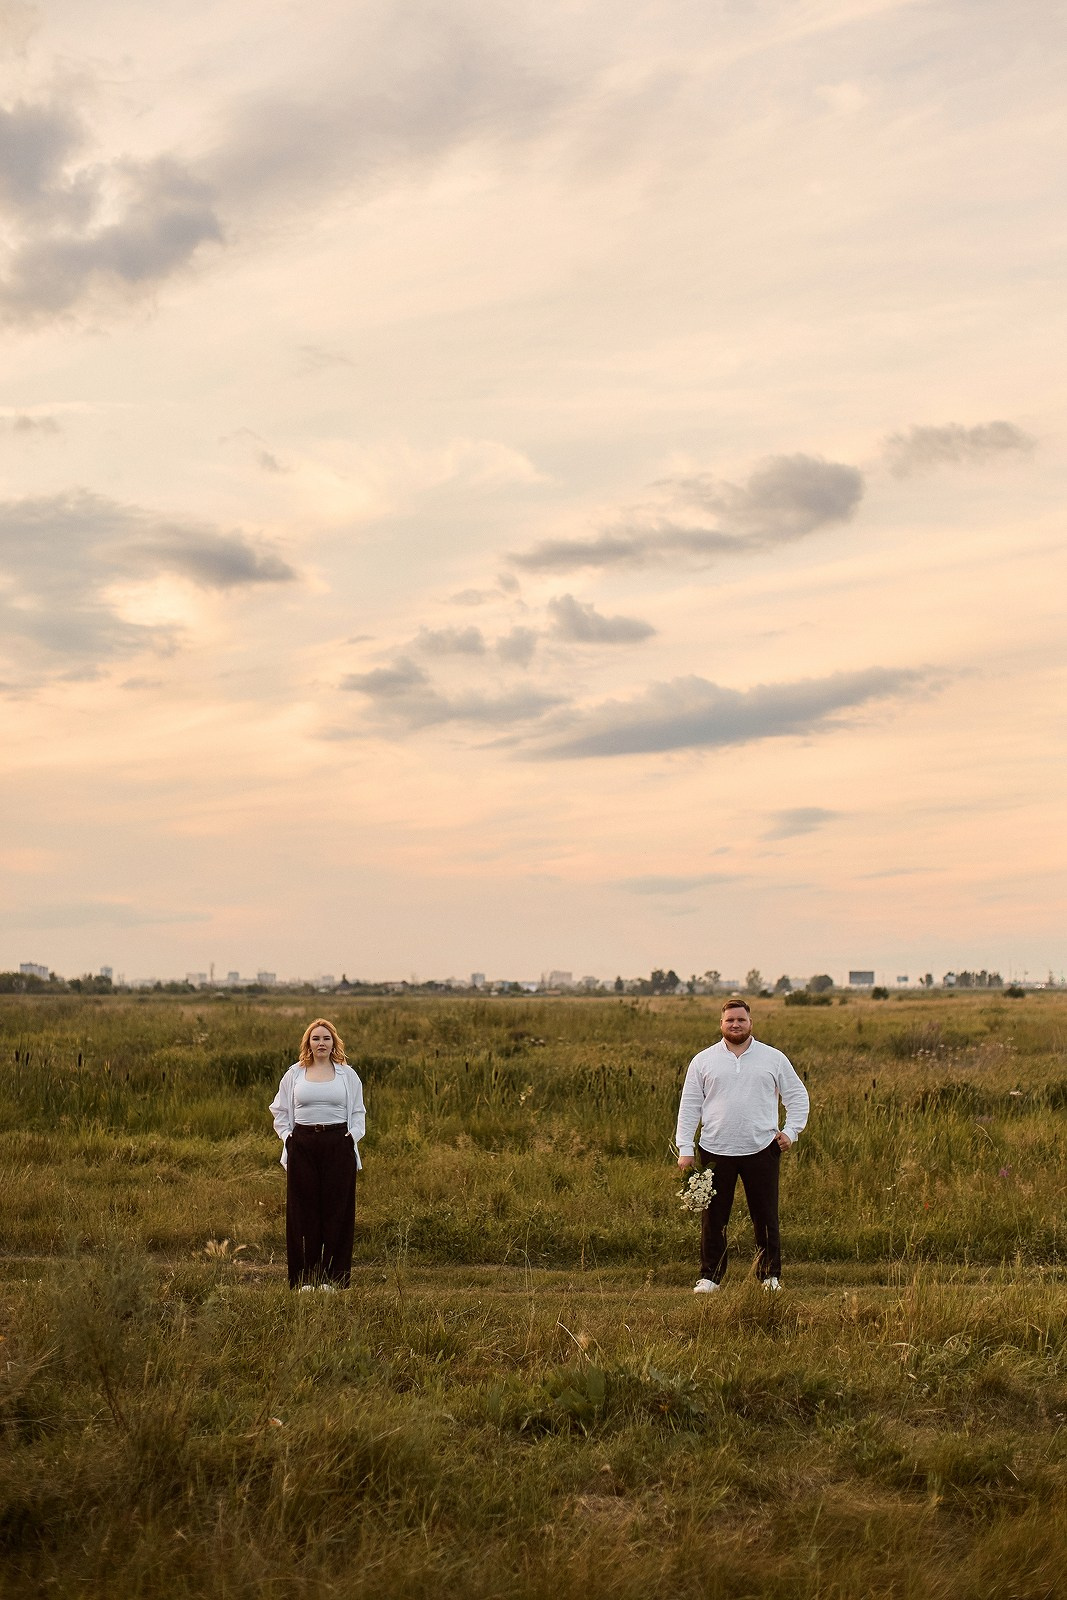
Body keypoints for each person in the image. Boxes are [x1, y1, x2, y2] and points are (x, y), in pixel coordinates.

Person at [676, 997, 809, 1293]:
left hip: (762, 1148)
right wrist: (685, 1148)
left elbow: (797, 1096)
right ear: (721, 1024)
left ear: (751, 1023)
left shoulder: (773, 1058)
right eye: (730, 1020)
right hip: (714, 1149)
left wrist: (791, 1131)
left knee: (764, 1215)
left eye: (741, 1020)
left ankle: (769, 1276)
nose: (735, 1024)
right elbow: (689, 1106)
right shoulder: (703, 1060)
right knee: (714, 1217)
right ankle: (710, 1277)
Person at [269, 1018, 366, 1290]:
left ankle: (334, 1281)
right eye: (315, 1038)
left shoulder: (348, 1074)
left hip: (338, 1143)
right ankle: (304, 1281)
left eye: (326, 1038)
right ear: (308, 1044)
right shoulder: (295, 1073)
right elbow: (279, 1110)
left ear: (333, 1042)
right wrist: (288, 1138)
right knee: (303, 1213)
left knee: (338, 1212)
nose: (321, 1043)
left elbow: (358, 1111)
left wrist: (352, 1137)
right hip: (303, 1144)